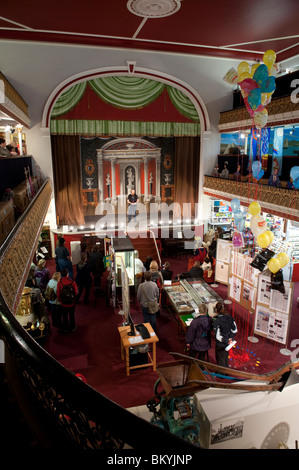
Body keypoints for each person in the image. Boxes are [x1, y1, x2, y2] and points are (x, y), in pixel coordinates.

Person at [213, 302, 238, 368]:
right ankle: (226, 370)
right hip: (228, 342)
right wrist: (230, 338)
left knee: (220, 358)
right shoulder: (230, 317)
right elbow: (235, 330)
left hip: (221, 343)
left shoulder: (217, 321)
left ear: (216, 310)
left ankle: (221, 374)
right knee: (225, 356)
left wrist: (226, 340)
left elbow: (218, 336)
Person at [57, 268, 78, 333]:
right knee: (72, 315)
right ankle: (72, 327)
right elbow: (76, 292)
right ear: (67, 274)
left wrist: (59, 300)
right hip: (71, 303)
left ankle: (65, 328)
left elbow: (58, 293)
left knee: (64, 316)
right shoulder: (72, 282)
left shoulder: (60, 283)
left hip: (63, 303)